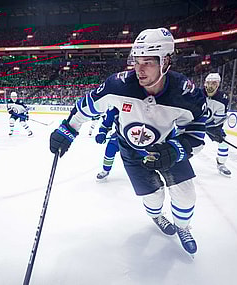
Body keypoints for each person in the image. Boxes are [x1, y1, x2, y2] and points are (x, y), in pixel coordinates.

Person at [49, 28, 208, 255]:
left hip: (167, 147)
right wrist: (68, 129)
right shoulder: (118, 85)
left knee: (185, 193)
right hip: (131, 151)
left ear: (166, 61)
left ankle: (183, 226)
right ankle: (156, 216)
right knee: (153, 196)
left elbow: (196, 127)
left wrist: (177, 149)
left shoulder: (185, 93)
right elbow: (88, 105)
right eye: (136, 61)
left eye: (148, 63)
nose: (139, 70)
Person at [203, 73, 231, 177]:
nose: (210, 86)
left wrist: (217, 131)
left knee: (223, 142)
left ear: (218, 84)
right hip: (194, 122)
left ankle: (221, 164)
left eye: (213, 83)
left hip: (211, 125)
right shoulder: (197, 94)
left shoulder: (222, 99)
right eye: (208, 83)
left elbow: (219, 120)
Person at [95, 107, 120, 181]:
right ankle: (105, 171)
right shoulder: (114, 107)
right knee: (110, 149)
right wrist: (102, 133)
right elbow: (106, 123)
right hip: (120, 135)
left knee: (146, 154)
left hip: (139, 136)